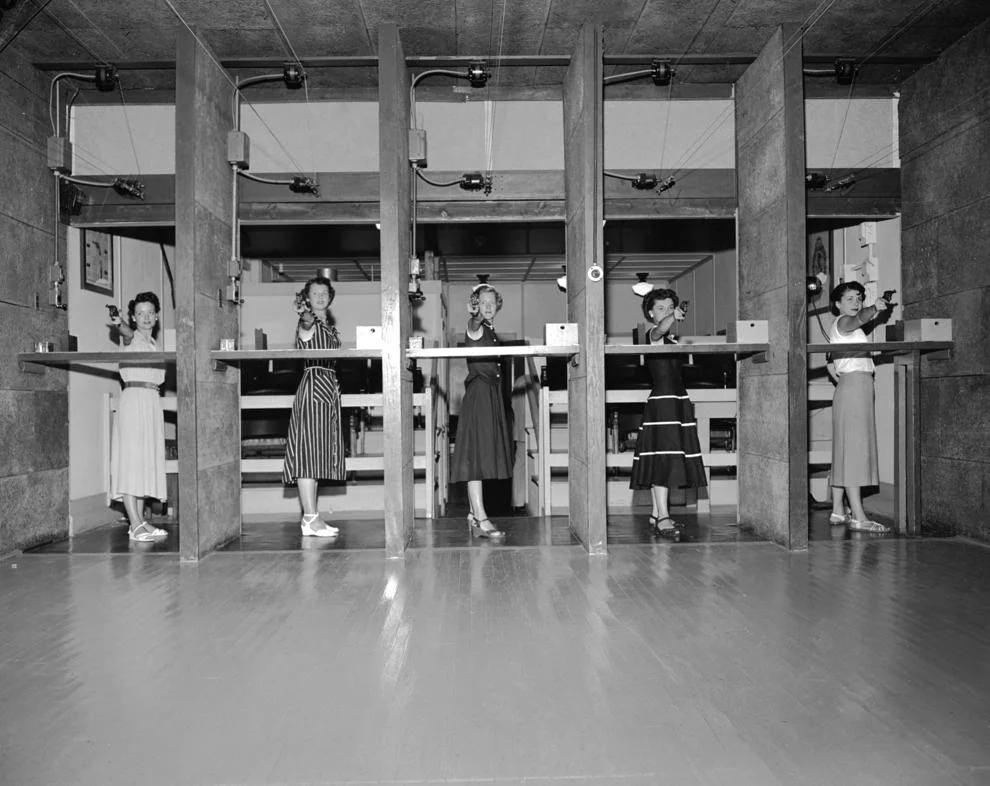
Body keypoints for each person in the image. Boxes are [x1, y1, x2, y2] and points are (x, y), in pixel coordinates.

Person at [629, 288, 707, 539]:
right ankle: (663, 516)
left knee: (663, 456)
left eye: (670, 306)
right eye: (661, 308)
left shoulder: (672, 341)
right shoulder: (653, 335)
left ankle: (656, 513)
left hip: (676, 401)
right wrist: (671, 316)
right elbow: (661, 329)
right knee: (663, 459)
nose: (666, 311)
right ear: (651, 313)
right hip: (663, 404)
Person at [283, 276, 345, 537]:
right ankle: (309, 517)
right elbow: (305, 325)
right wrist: (305, 314)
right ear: (307, 298)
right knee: (308, 454)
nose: (320, 296)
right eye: (314, 293)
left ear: (330, 297)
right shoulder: (308, 322)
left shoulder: (329, 327)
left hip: (328, 390)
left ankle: (312, 516)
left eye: (324, 293)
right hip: (313, 388)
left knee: (318, 454)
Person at [826, 281, 891, 533]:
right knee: (853, 450)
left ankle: (838, 510)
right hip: (855, 387)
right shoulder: (844, 322)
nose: (856, 302)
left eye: (859, 298)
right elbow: (859, 319)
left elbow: (832, 365)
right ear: (838, 304)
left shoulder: (844, 328)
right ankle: (859, 517)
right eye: (850, 298)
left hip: (852, 386)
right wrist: (875, 307)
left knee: (845, 448)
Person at [450, 284, 513, 538]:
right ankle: (479, 516)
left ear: (497, 305)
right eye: (482, 302)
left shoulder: (491, 330)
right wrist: (474, 314)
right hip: (479, 395)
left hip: (491, 394)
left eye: (491, 302)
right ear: (476, 305)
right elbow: (473, 324)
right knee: (475, 457)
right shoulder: (476, 327)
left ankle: (475, 514)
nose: (487, 307)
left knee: (483, 456)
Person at [109, 292, 168, 542]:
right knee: (132, 463)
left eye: (150, 313)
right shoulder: (131, 337)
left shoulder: (155, 344)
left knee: (144, 462)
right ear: (133, 317)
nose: (145, 317)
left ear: (156, 317)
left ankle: (142, 521)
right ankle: (134, 525)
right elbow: (125, 331)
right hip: (134, 399)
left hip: (152, 401)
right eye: (140, 313)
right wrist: (117, 320)